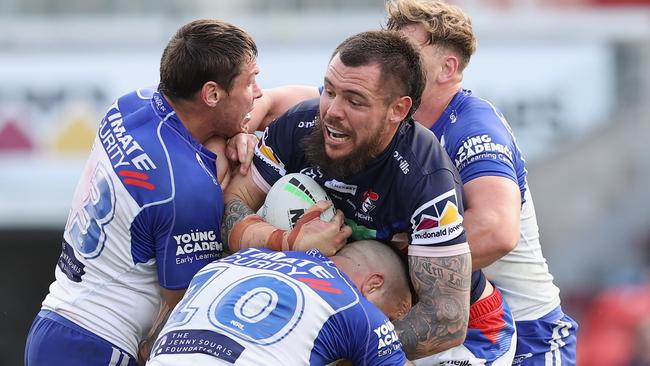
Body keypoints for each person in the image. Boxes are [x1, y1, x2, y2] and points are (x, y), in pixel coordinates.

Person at [221, 30, 517, 363]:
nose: (332, 111)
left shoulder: (426, 178)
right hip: (353, 309)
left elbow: (445, 320)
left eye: (354, 100)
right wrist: (285, 241)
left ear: (398, 109)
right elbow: (236, 201)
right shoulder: (300, 126)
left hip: (452, 335)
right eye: (329, 91)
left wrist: (333, 353)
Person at [24, 19, 262, 366]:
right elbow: (186, 305)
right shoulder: (187, 189)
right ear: (211, 93)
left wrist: (233, 134)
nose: (258, 91)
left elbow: (183, 140)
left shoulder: (128, 104)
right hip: (97, 347)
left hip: (54, 323)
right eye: (251, 80)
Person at [384, 1, 579, 364]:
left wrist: (390, 252)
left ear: (448, 68)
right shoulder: (393, 119)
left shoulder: (473, 126)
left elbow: (496, 232)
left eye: (406, 52)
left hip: (527, 335)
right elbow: (308, 101)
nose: (391, 63)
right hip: (456, 324)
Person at [144, 240, 413, 365]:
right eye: (391, 318)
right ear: (374, 284)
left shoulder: (233, 261)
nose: (389, 326)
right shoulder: (353, 305)